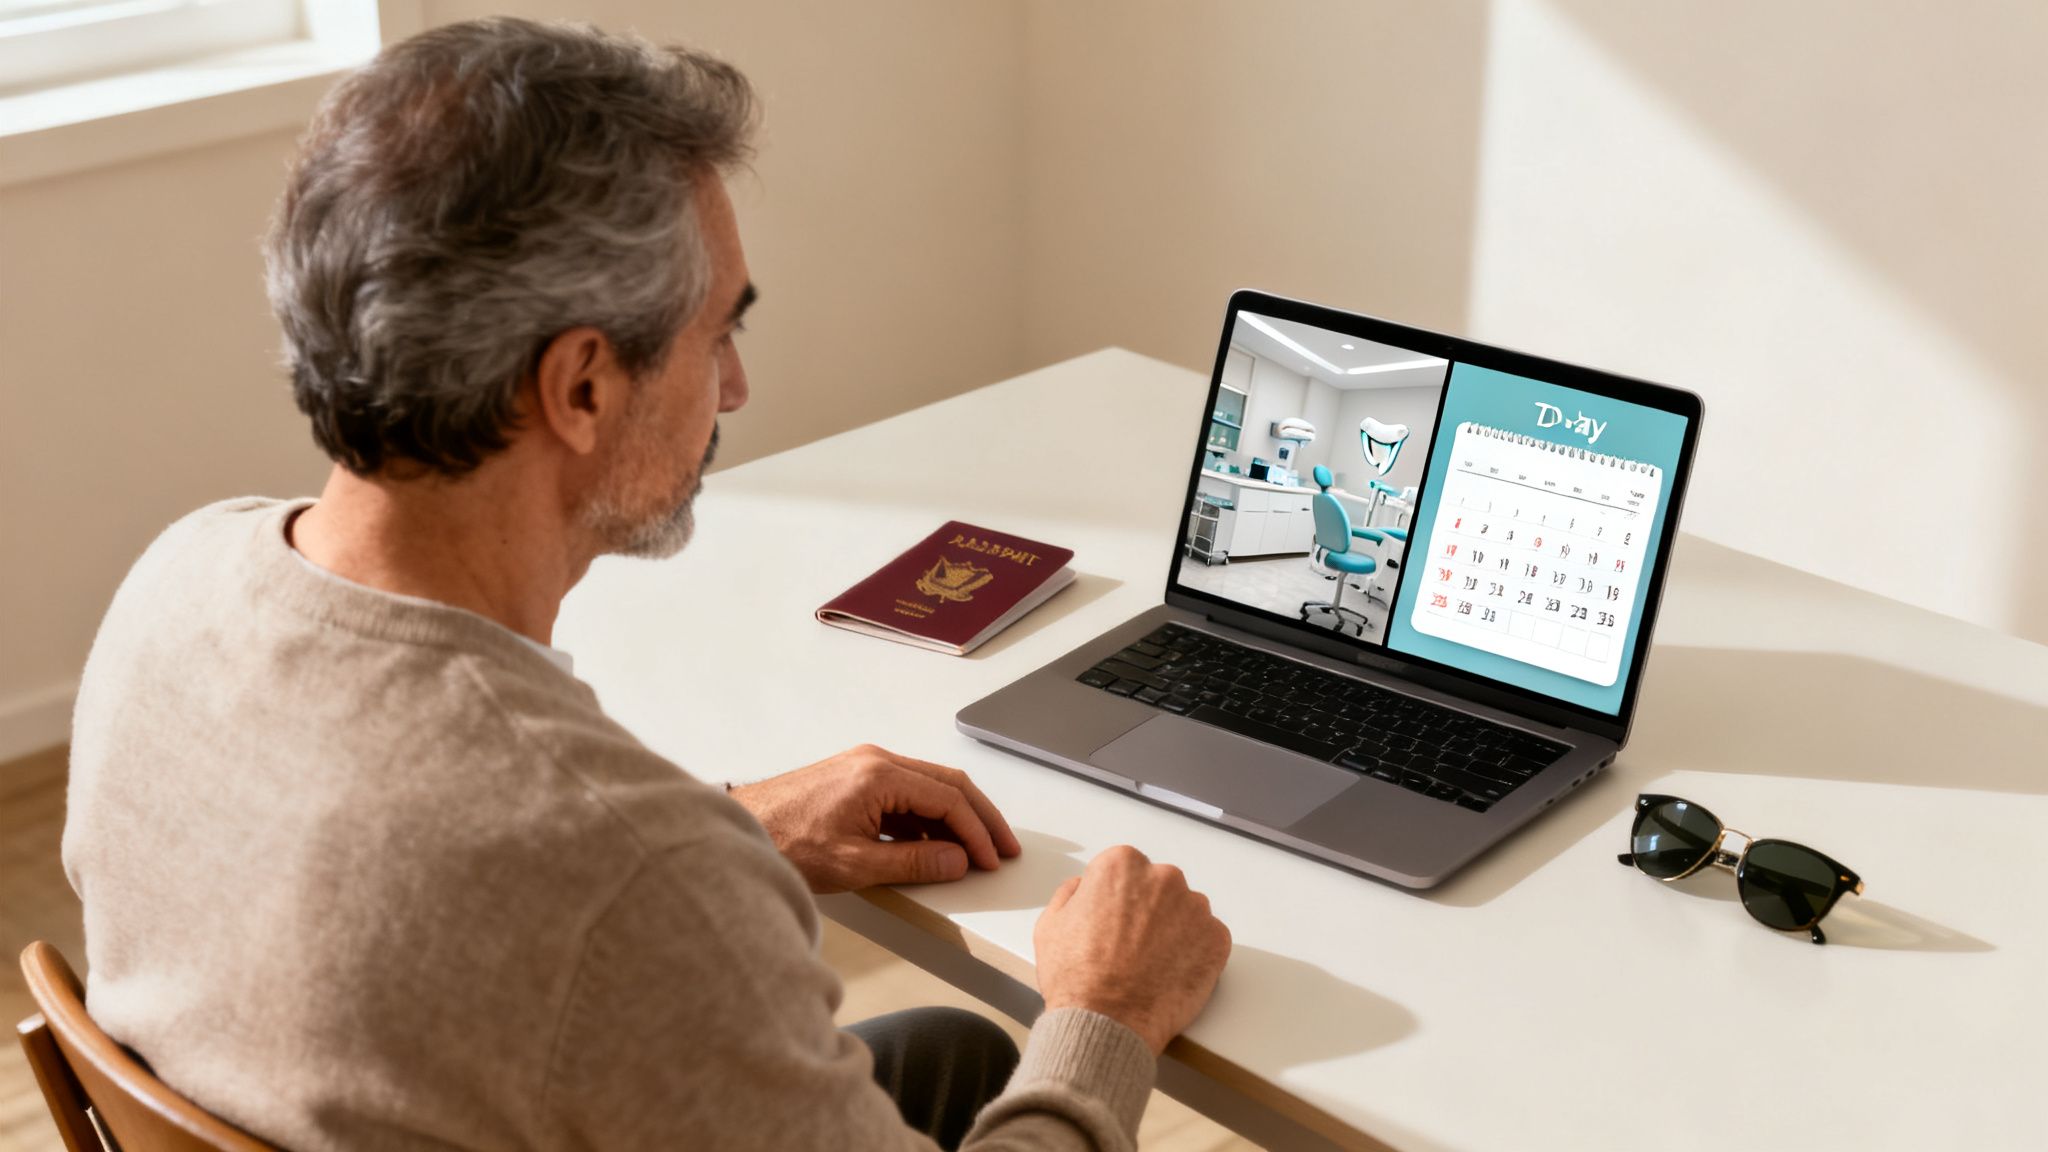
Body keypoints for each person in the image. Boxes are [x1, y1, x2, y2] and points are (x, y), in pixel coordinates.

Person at [62, 16, 1232, 1152]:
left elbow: (451, 890)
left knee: (951, 1055)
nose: (733, 389)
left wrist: (728, 827)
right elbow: (573, 888)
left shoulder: (178, 580)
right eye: (714, 334)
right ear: (579, 386)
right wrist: (1106, 1014)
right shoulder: (629, 884)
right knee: (1034, 1053)